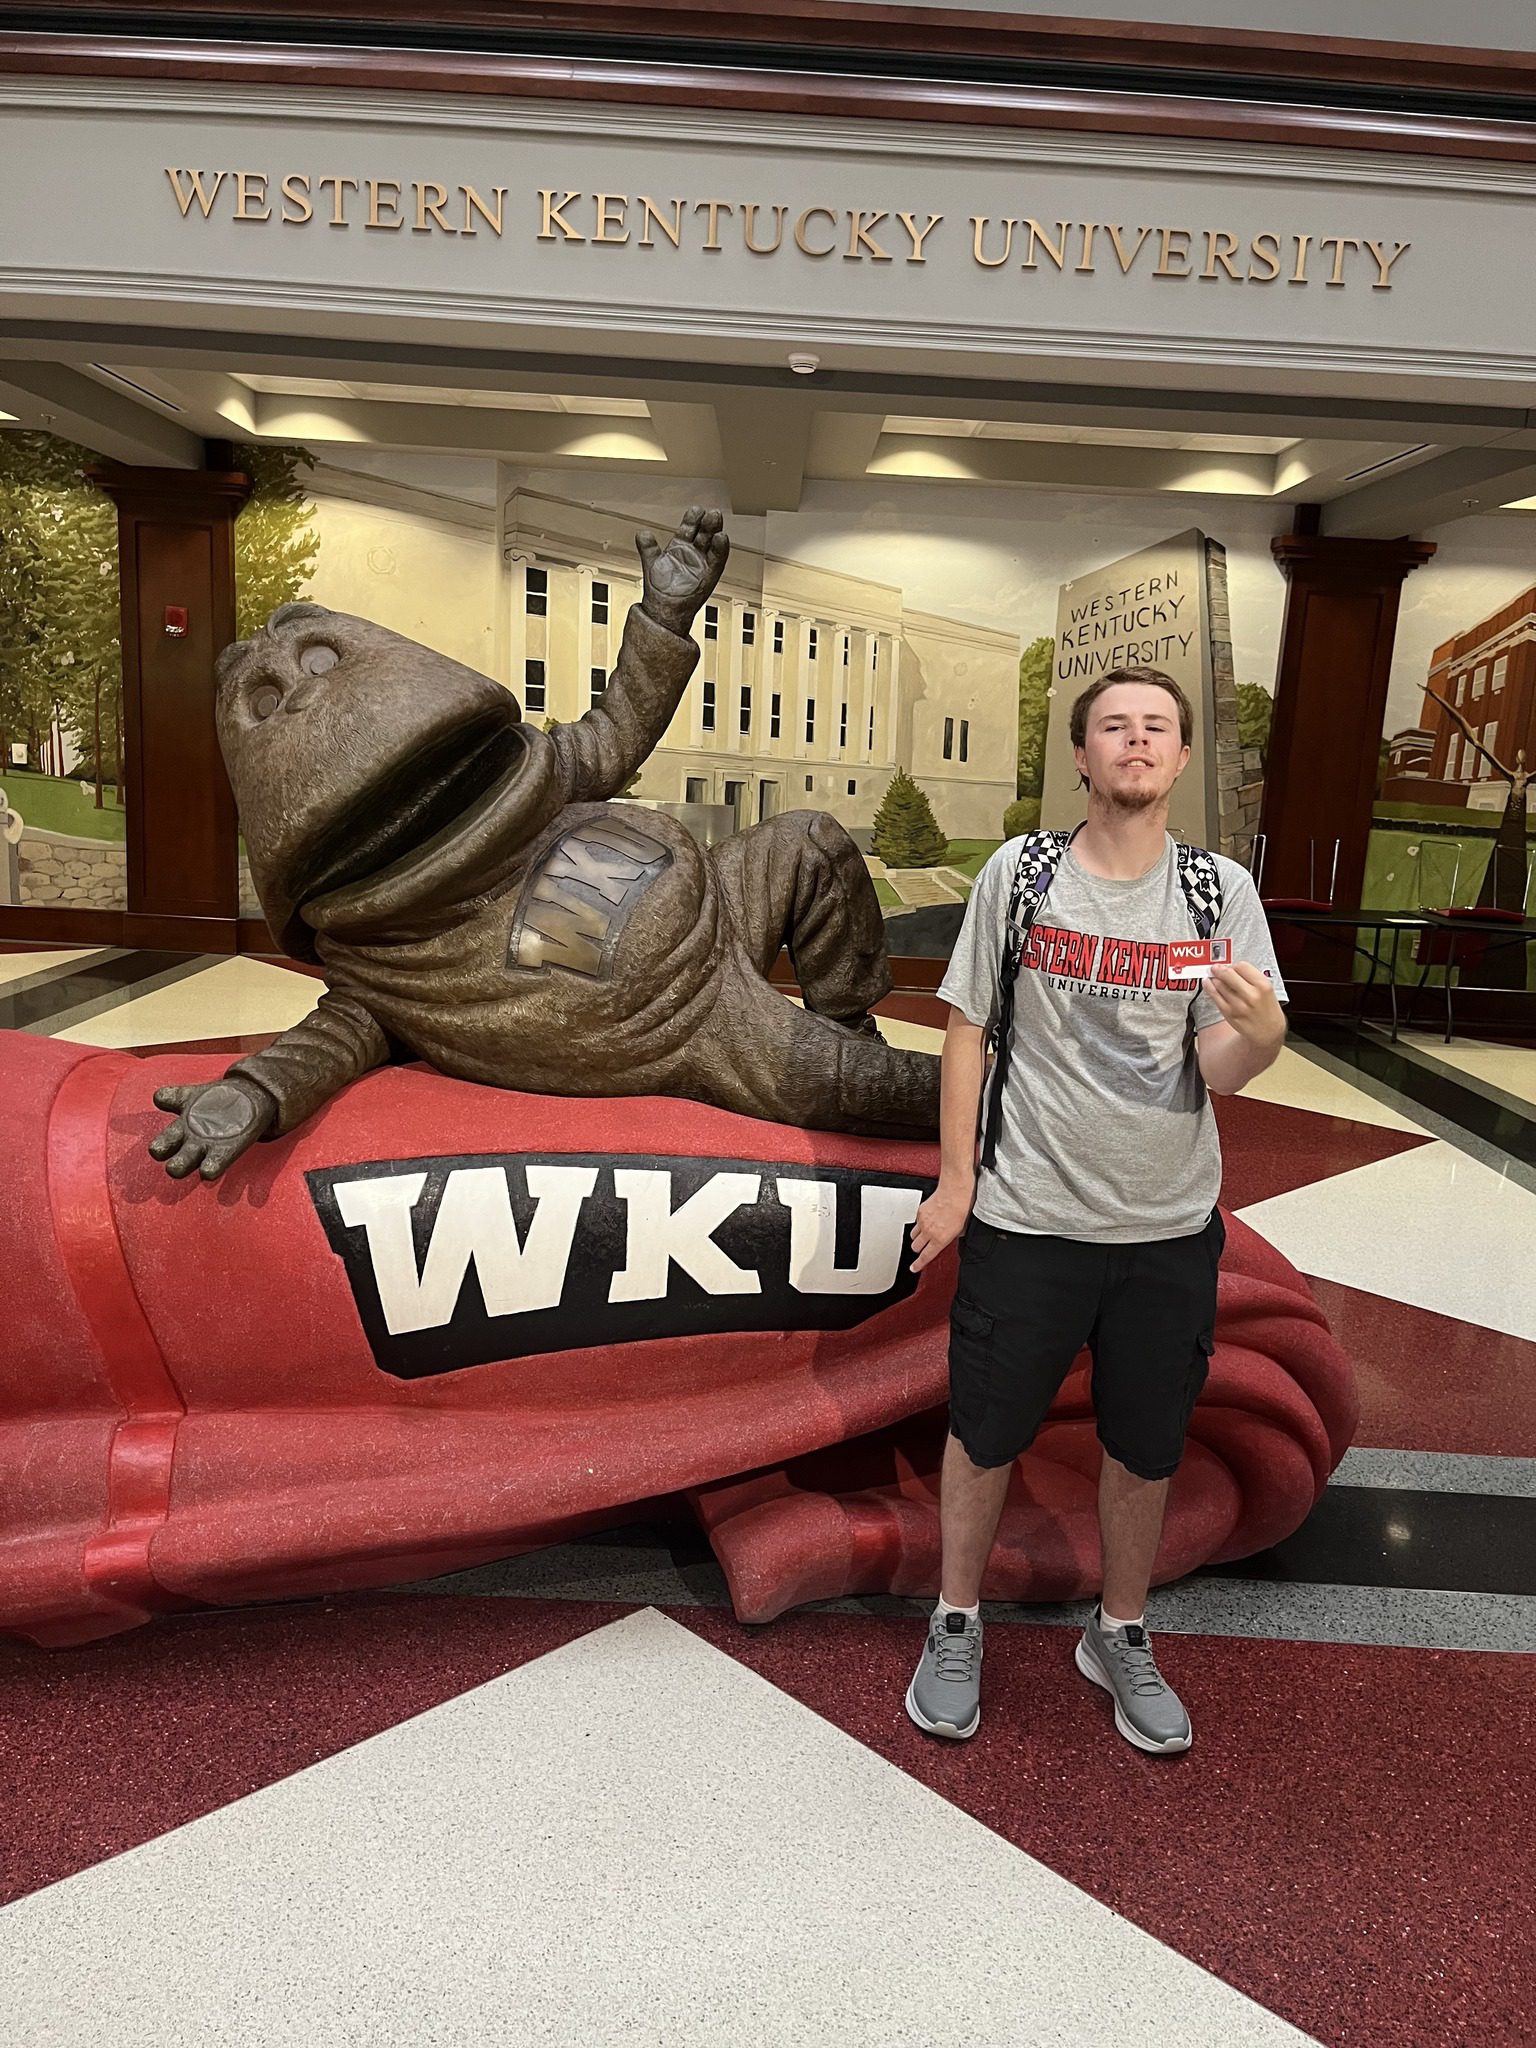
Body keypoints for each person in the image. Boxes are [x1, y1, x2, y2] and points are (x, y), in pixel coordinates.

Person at [905, 665, 1288, 1754]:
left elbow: (1218, 1068)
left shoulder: (1219, 895)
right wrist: (957, 1179)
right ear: (1082, 754)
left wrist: (1262, 1033)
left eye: (1155, 728)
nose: (1134, 741)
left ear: (1176, 758)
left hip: (1167, 1228)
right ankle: (956, 1618)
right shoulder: (1020, 877)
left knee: (1145, 1447)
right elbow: (968, 1025)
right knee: (983, 1434)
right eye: (1113, 726)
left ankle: (1119, 1632)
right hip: (1030, 1218)